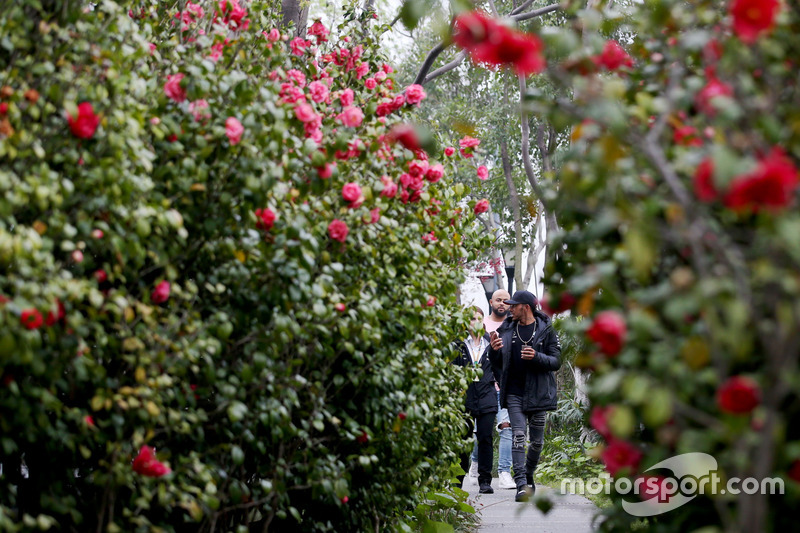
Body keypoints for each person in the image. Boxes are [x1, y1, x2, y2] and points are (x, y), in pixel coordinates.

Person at [488, 290, 561, 502]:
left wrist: (537, 356)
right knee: (518, 436)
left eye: (514, 305)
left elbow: (556, 361)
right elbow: (496, 360)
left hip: (539, 394)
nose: (510, 308)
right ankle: (521, 484)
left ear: (526, 307)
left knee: (536, 443)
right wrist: (493, 350)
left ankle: (529, 475)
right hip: (514, 392)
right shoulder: (507, 328)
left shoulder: (546, 329)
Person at [467, 289, 515, 490]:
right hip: (477, 390)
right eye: (498, 300)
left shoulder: (512, 326)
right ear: (491, 302)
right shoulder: (481, 325)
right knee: (478, 433)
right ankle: (474, 463)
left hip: (500, 388)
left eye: (506, 300)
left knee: (505, 428)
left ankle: (502, 472)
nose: (502, 303)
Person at [453, 307, 498, 494]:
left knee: (486, 438)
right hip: (465, 394)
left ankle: (485, 481)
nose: (476, 322)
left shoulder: (491, 342)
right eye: (472, 319)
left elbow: (500, 365)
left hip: (487, 393)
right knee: (463, 439)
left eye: (480, 318)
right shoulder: (458, 344)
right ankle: (457, 481)